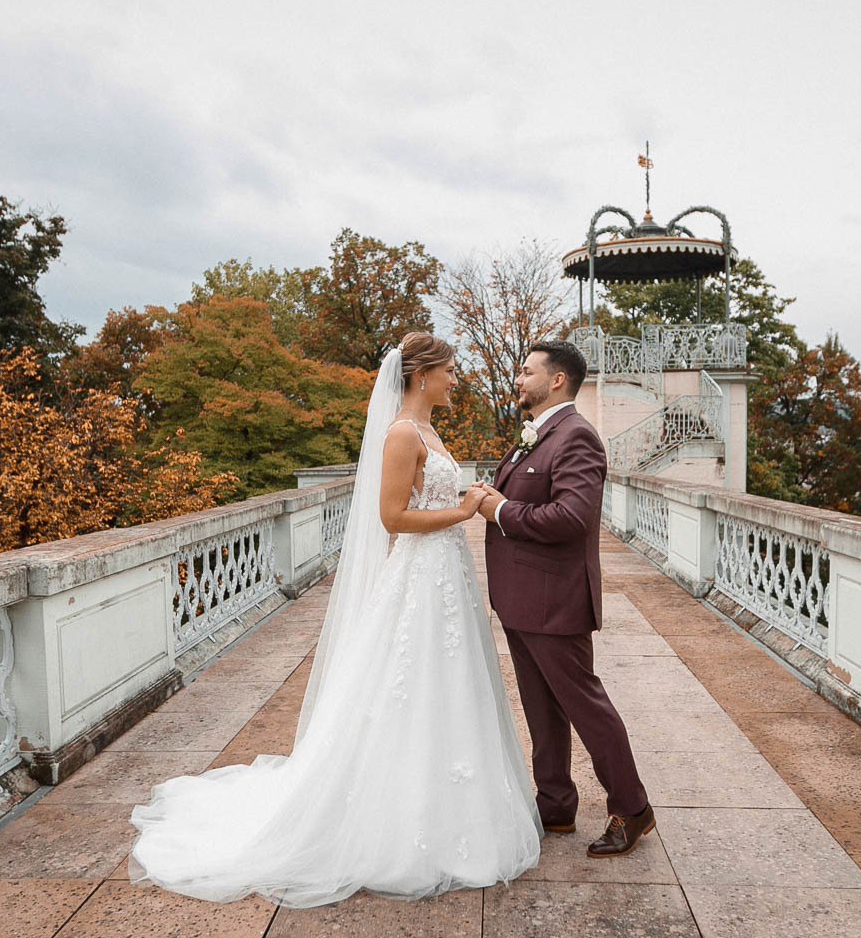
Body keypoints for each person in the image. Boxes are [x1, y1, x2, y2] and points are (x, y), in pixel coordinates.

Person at [128, 331, 541, 906]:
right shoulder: (401, 434)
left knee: (448, 687)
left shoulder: (428, 430)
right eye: (449, 370)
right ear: (422, 375)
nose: (455, 379)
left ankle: (452, 803)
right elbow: (392, 518)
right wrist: (463, 510)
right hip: (420, 576)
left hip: (446, 576)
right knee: (407, 686)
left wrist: (460, 501)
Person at [474, 340, 655, 856]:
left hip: (555, 602)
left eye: (526, 372)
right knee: (541, 709)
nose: (517, 379)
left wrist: (501, 511)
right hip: (520, 599)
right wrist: (499, 497)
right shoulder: (537, 435)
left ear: (556, 380)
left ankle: (633, 807)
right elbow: (530, 497)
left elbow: (571, 518)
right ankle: (555, 806)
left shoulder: (577, 437)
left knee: (586, 708)